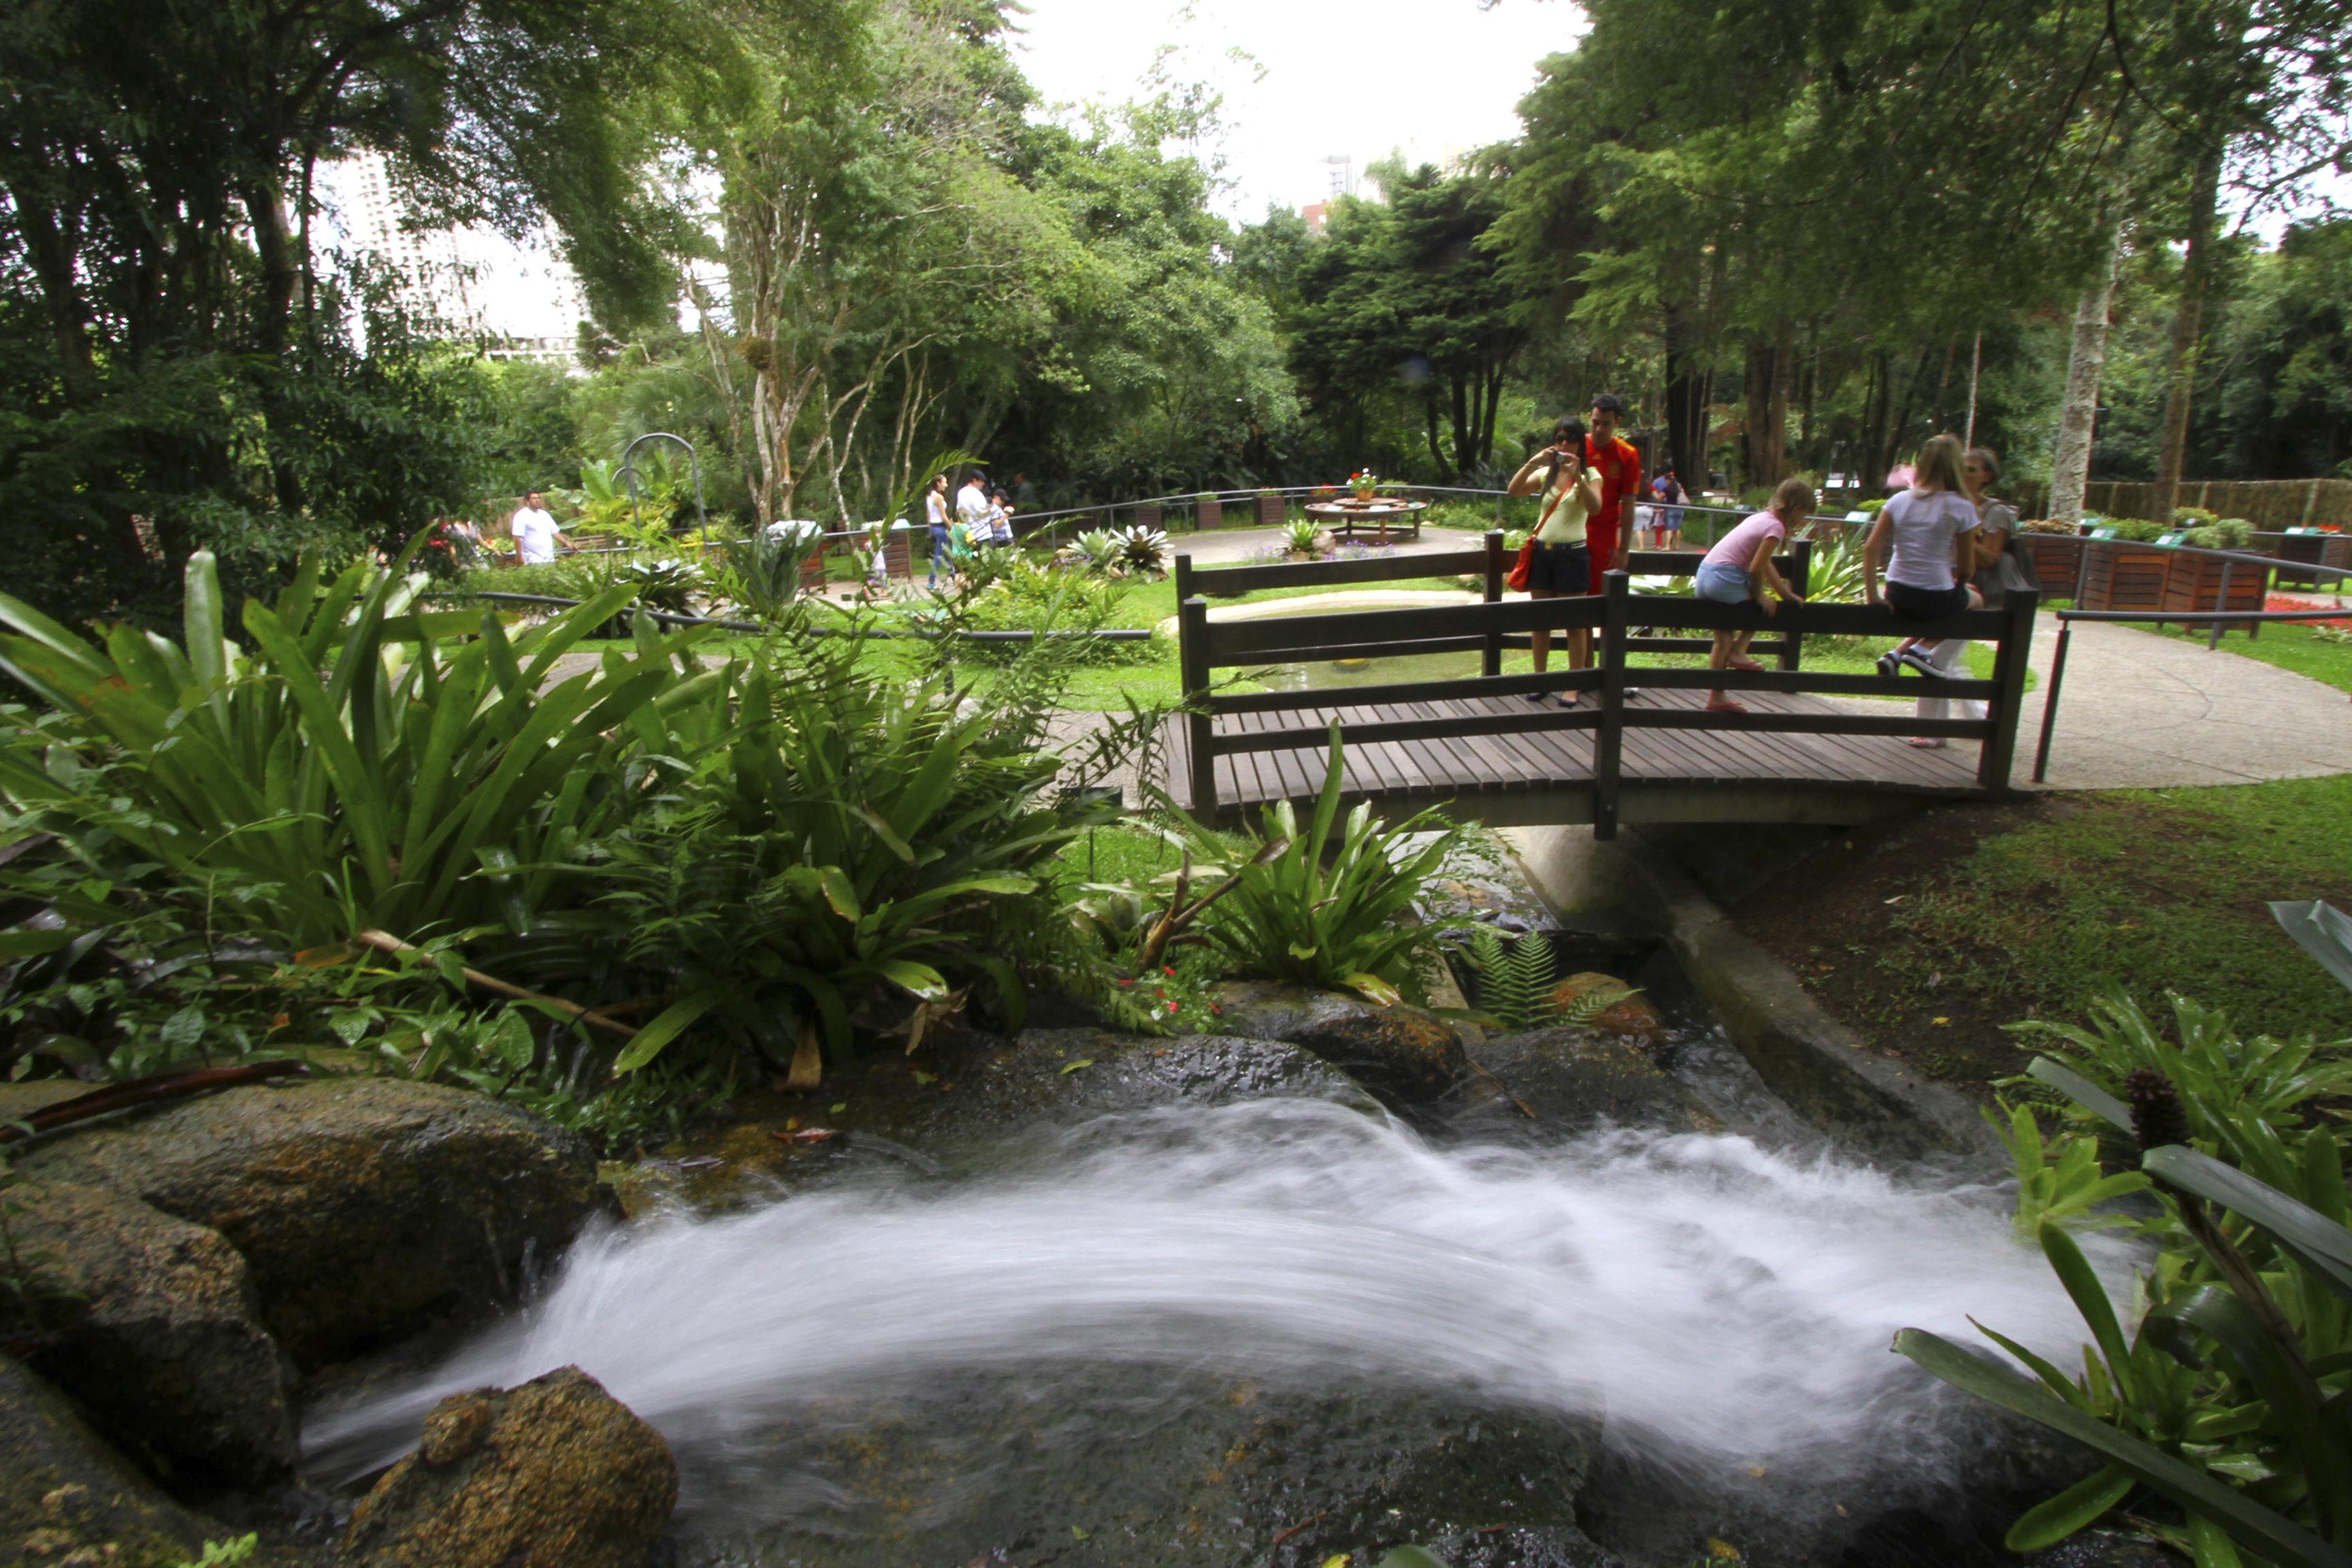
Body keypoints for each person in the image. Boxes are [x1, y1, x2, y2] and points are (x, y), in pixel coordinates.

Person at [1904, 447, 2023, 749]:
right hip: (1945, 589)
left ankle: (1935, 731)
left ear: (1987, 476)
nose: (1965, 473)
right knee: (1948, 661)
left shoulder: (1995, 512)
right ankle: (1979, 723)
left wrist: (1965, 535)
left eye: (1973, 469)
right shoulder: (1947, 503)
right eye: (1962, 467)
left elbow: (1991, 558)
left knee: (1936, 658)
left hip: (1974, 593)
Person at [1505, 416, 1603, 706]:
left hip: (1572, 555)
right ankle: (1540, 680)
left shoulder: (1592, 474)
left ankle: (1573, 686)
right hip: (1543, 554)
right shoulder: (1547, 473)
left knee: (1574, 624)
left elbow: (1595, 508)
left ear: (1579, 443)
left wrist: (1579, 477)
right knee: (1541, 622)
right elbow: (1514, 490)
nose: (1564, 444)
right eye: (1559, 439)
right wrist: (1533, 462)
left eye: (1570, 439)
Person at [1693, 478, 1811, 713]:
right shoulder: (1776, 528)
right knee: (1761, 611)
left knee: (1723, 639)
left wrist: (1786, 594)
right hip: (1725, 578)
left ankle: (1716, 696)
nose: (1803, 522)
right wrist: (1760, 597)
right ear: (1796, 510)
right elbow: (1757, 568)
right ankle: (1739, 651)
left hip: (1706, 576)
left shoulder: (1760, 518)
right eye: (1804, 516)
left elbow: (1764, 564)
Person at [1863, 433, 1983, 660]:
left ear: (1922, 464)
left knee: (1958, 599)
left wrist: (1873, 596)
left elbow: (1870, 548)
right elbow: (1967, 568)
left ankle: (1898, 655)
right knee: (1976, 599)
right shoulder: (1962, 507)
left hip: (1898, 592)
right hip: (1936, 597)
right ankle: (1922, 649)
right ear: (1956, 467)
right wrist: (1961, 585)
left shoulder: (1898, 501)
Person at [509, 490, 572, 565]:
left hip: (549, 558)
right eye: (534, 498)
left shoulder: (545, 515)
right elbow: (517, 537)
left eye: (538, 498)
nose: (537, 500)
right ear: (527, 501)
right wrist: (519, 556)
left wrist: (566, 543)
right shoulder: (521, 516)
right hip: (533, 559)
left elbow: (554, 532)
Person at [924, 472, 953, 589]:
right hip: (941, 527)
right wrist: (953, 528)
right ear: (938, 483)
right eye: (944, 482)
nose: (946, 485)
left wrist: (930, 528)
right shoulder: (939, 498)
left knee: (946, 554)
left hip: (934, 527)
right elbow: (944, 516)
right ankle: (931, 582)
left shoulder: (930, 496)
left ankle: (953, 574)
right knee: (939, 555)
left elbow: (929, 515)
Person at [1651, 471, 1688, 550]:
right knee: (1678, 527)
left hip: (1670, 509)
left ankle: (1668, 546)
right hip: (1680, 509)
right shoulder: (1679, 487)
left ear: (1668, 480)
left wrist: (1654, 493)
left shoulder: (1667, 488)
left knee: (1669, 528)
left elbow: (1659, 497)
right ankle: (1678, 545)